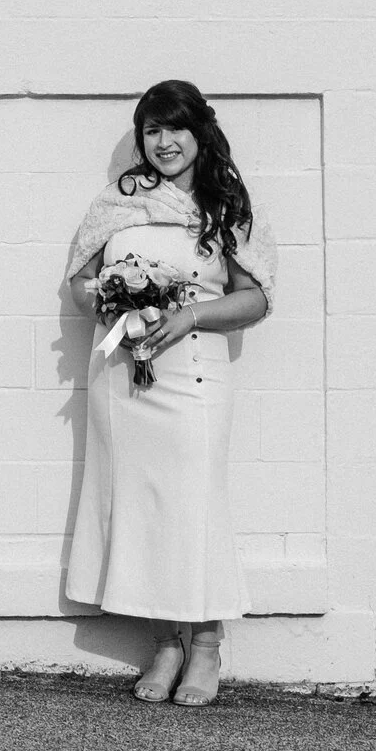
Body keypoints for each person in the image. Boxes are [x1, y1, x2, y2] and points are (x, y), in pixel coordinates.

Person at [64, 81, 275, 707]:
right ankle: (165, 645)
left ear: (198, 131)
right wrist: (111, 305)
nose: (164, 143)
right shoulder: (117, 201)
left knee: (195, 502)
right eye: (152, 131)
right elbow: (79, 280)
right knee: (143, 504)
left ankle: (206, 646)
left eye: (175, 128)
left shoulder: (225, 205)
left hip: (195, 377)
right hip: (124, 376)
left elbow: (257, 296)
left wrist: (188, 317)